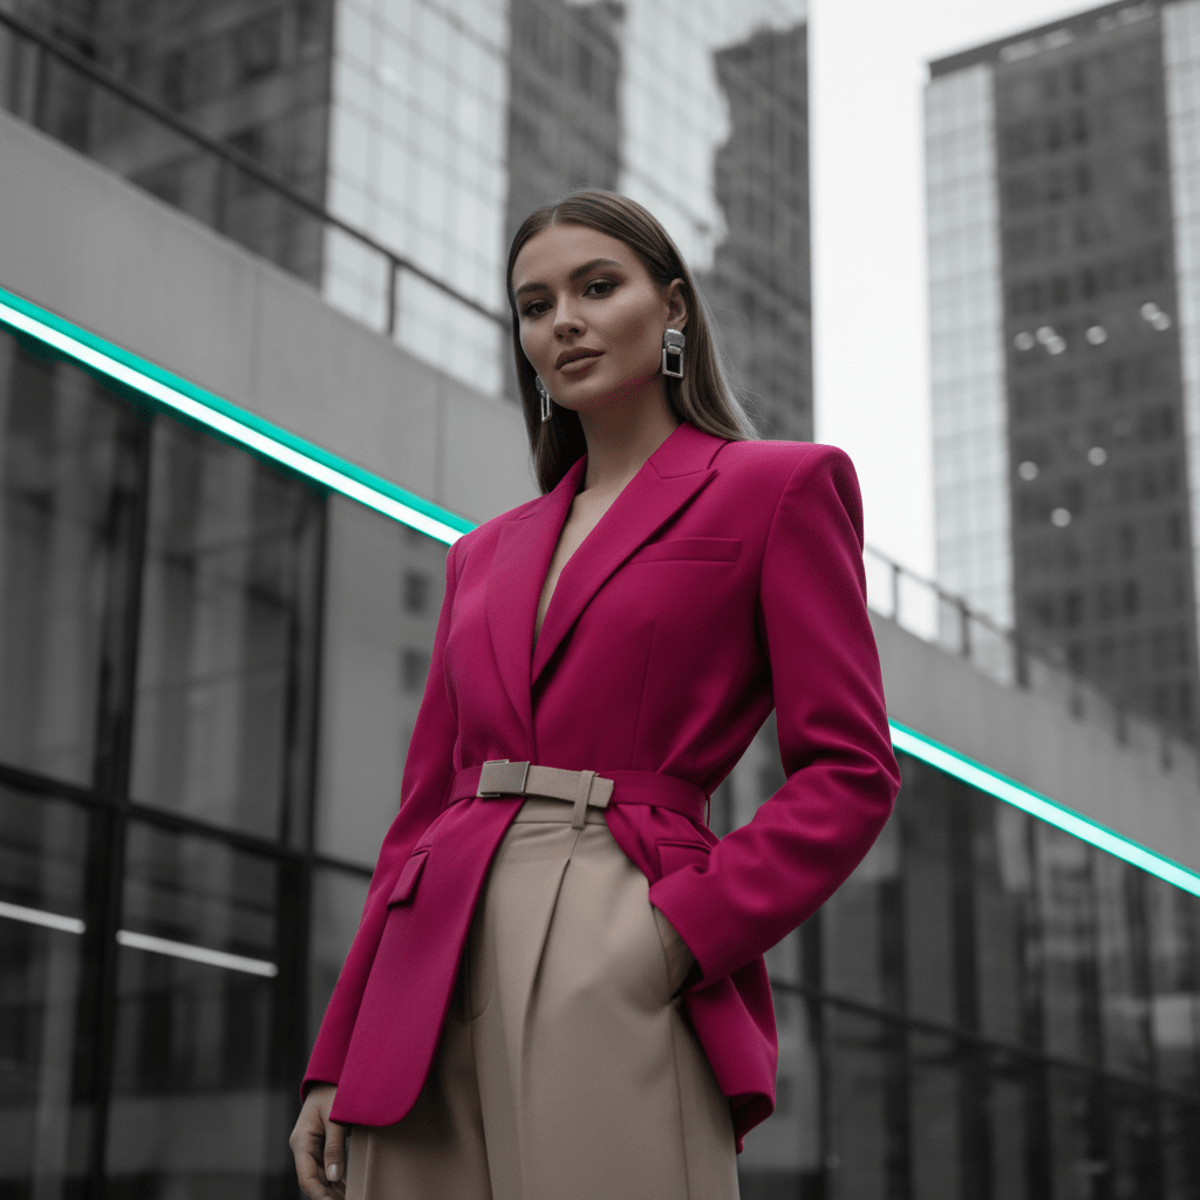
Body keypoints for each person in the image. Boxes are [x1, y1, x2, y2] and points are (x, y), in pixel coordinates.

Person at [290, 190, 900, 1200]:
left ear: (673, 310)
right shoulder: (479, 557)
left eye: (596, 286)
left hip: (618, 927)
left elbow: (851, 771)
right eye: (535, 305)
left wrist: (673, 936)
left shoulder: (779, 489)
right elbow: (417, 821)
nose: (562, 320)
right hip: (427, 960)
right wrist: (336, 1050)